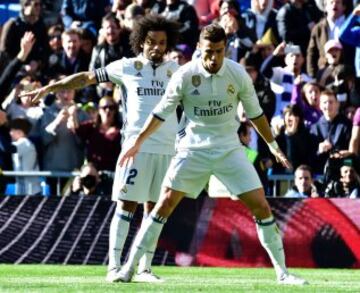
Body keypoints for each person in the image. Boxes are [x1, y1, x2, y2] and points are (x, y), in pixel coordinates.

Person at [114, 24, 307, 285]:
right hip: (192, 149)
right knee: (164, 203)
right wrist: (138, 142)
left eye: (219, 51)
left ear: (225, 49)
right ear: (198, 49)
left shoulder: (237, 74)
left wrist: (273, 146)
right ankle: (129, 268)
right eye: (208, 51)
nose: (213, 57)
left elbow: (256, 114)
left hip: (229, 149)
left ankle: (283, 274)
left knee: (261, 205)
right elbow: (161, 112)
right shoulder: (184, 75)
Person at [21, 15, 180, 283]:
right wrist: (53, 86)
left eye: (162, 43)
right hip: (136, 148)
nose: (157, 47)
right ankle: (114, 267)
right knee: (126, 204)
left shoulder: (175, 70)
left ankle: (144, 269)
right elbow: (86, 77)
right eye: (152, 42)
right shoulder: (127, 66)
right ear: (141, 42)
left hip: (167, 149)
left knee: (154, 211)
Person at [9, 118, 41, 195]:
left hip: (30, 191)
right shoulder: (24, 143)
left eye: (12, 130)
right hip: (26, 189)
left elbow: (9, 149)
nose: (10, 133)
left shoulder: (24, 143)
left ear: (20, 132)